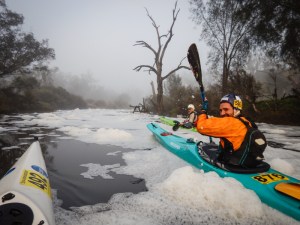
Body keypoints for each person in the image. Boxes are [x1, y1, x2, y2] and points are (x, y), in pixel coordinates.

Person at [197, 94, 267, 168]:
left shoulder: (230, 122)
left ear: (236, 109)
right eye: (221, 110)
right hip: (249, 162)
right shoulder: (247, 121)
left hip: (234, 165)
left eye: (226, 109)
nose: (222, 113)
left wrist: (203, 112)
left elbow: (201, 126)